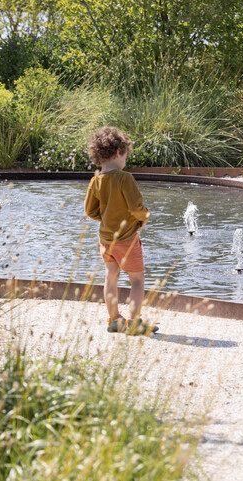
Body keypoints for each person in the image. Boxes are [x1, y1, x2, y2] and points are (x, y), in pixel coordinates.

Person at [83, 126, 157, 336]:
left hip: (105, 241)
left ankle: (114, 320)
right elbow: (136, 208)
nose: (125, 160)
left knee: (110, 278)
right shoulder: (125, 178)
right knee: (137, 280)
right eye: (125, 155)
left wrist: (106, 219)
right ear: (118, 153)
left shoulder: (96, 180)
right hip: (126, 239)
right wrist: (145, 217)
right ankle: (134, 323)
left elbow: (90, 211)